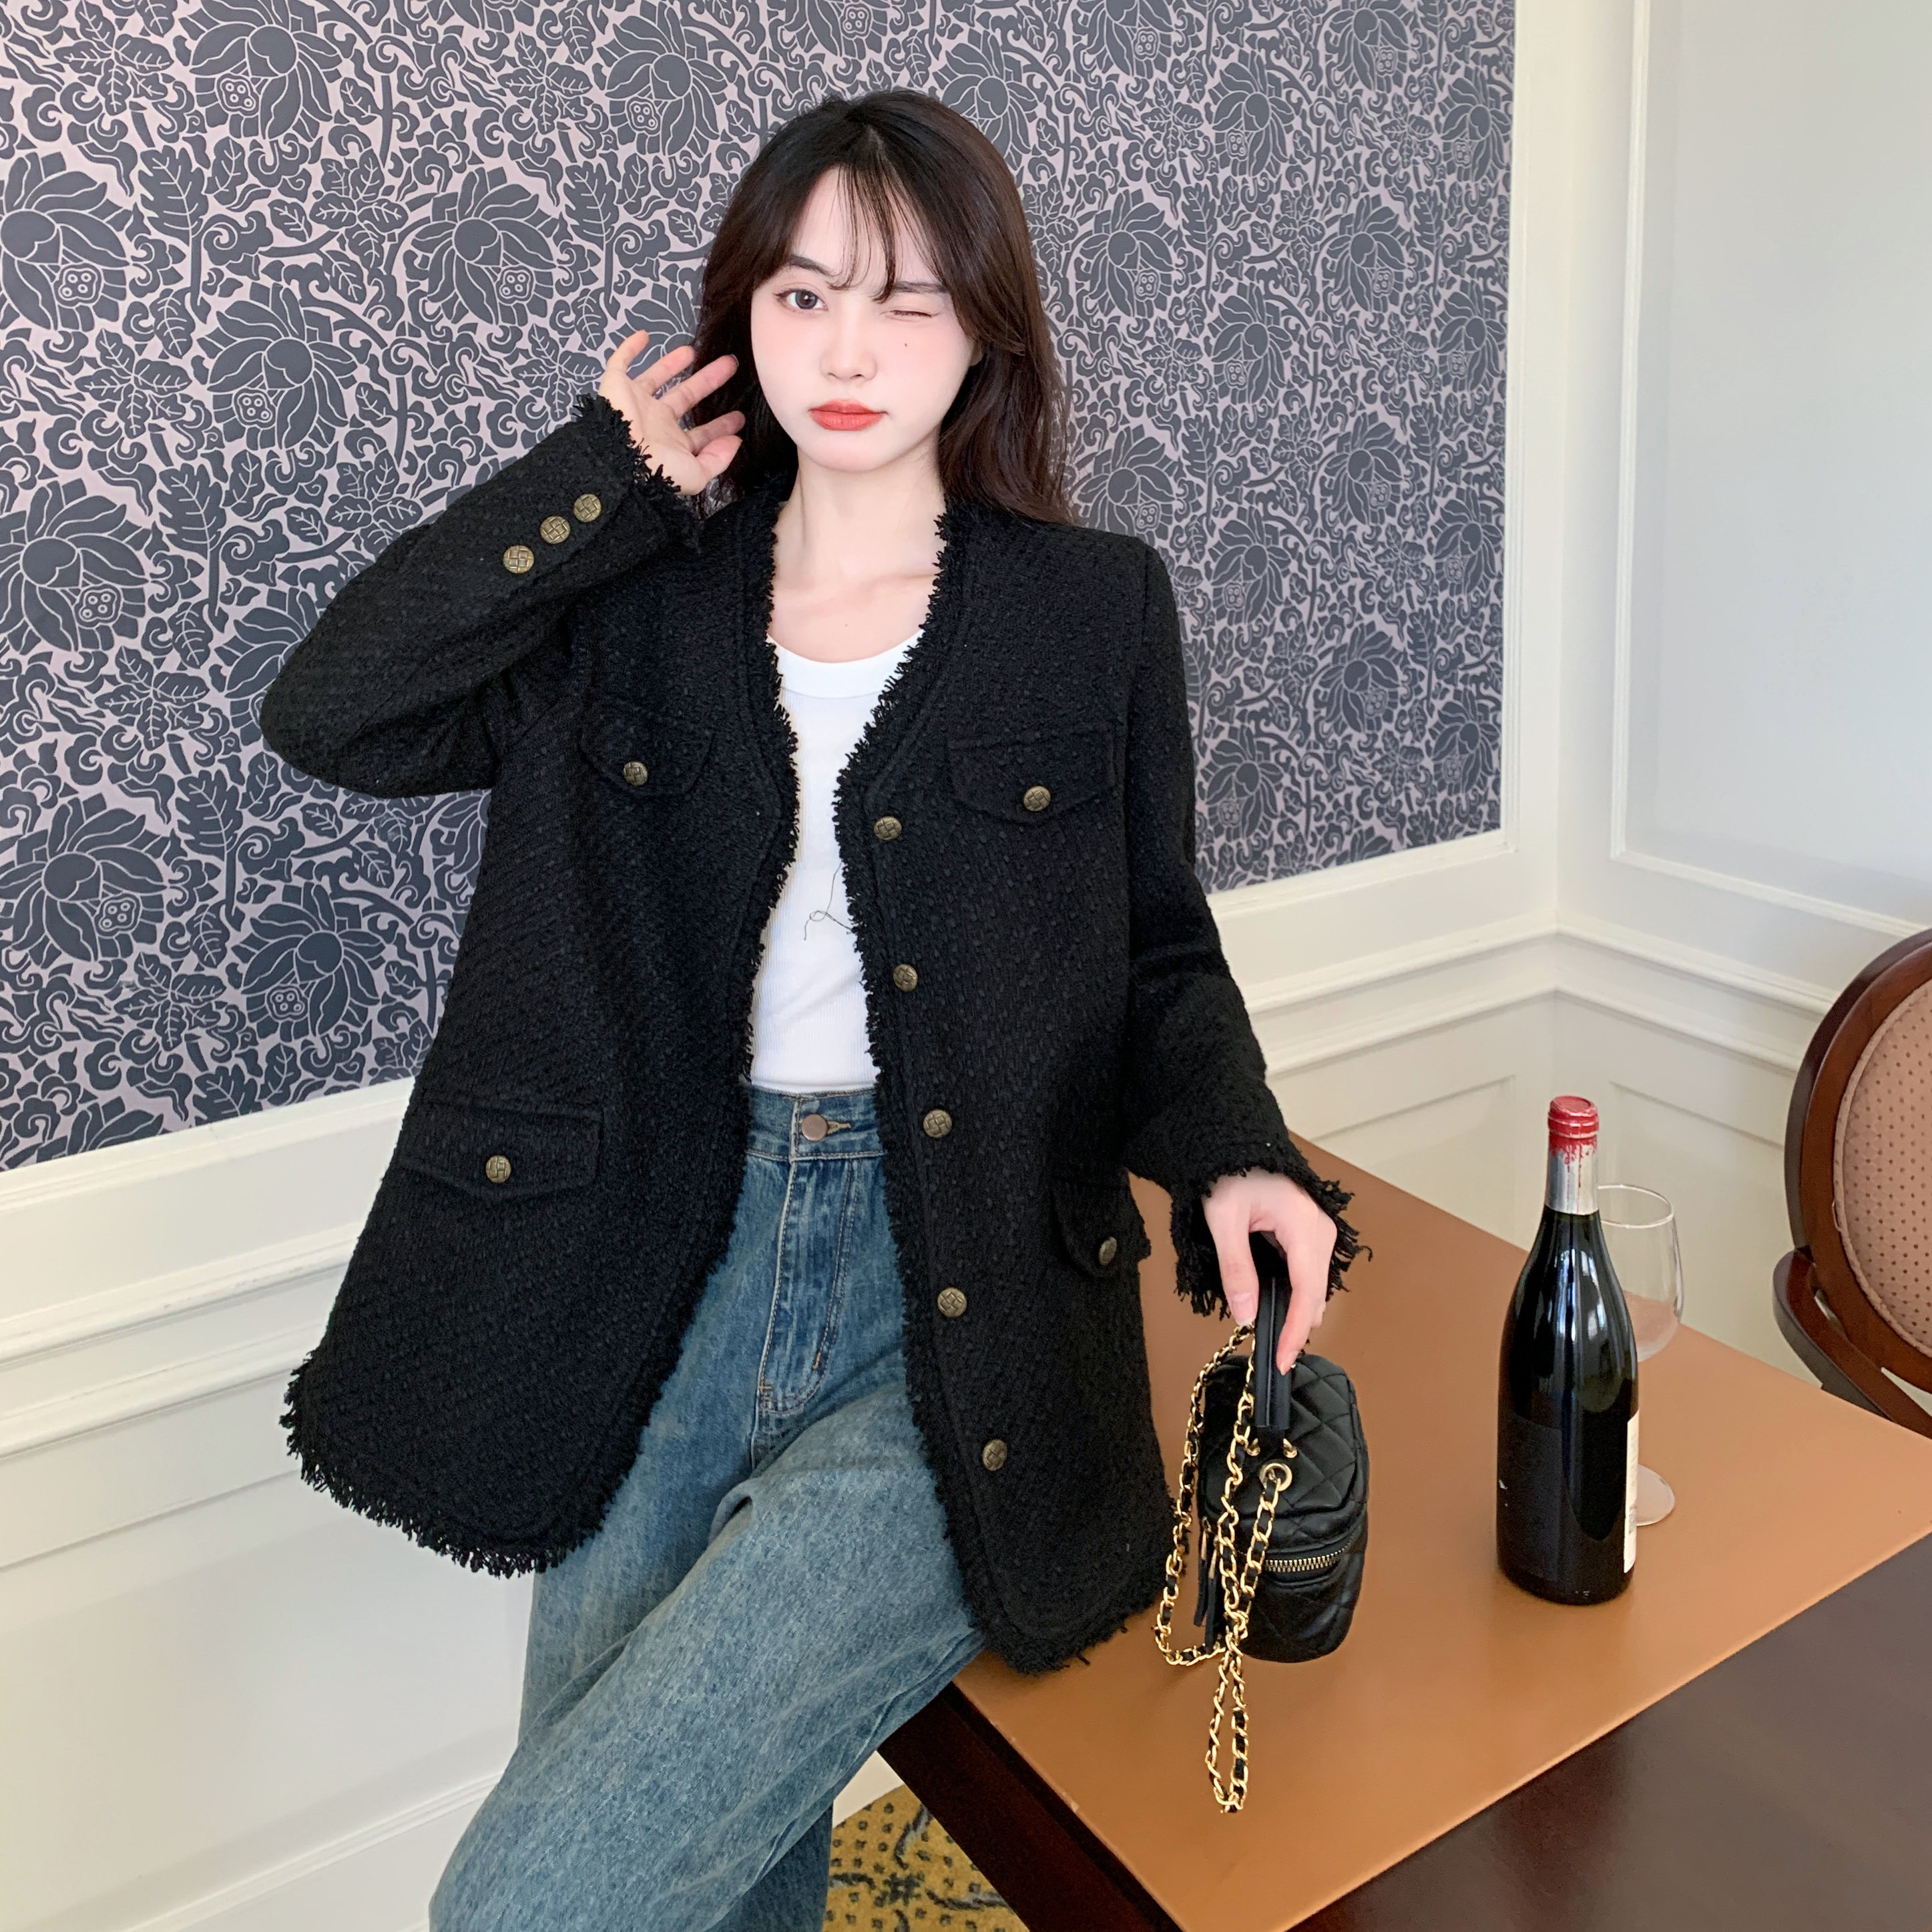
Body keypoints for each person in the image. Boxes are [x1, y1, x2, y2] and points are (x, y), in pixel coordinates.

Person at [259, 87, 1359, 1931]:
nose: (849, 352)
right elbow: (333, 711)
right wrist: (600, 480)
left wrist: (1237, 1156)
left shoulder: (1090, 611)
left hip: (965, 1293)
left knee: (528, 1903)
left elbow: (1158, 955)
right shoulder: (632, 598)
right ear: (741, 318)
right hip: (653, 1265)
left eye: (908, 303)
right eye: (803, 296)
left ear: (986, 330)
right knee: (714, 1868)